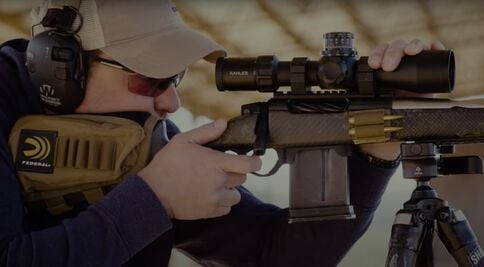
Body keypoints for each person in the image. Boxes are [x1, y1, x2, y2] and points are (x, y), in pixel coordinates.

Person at [0, 0, 445, 266]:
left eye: (174, 80)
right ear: (58, 69)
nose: (170, 104)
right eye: (151, 81)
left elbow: (277, 257)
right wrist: (152, 200)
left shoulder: (148, 141)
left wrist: (376, 146)